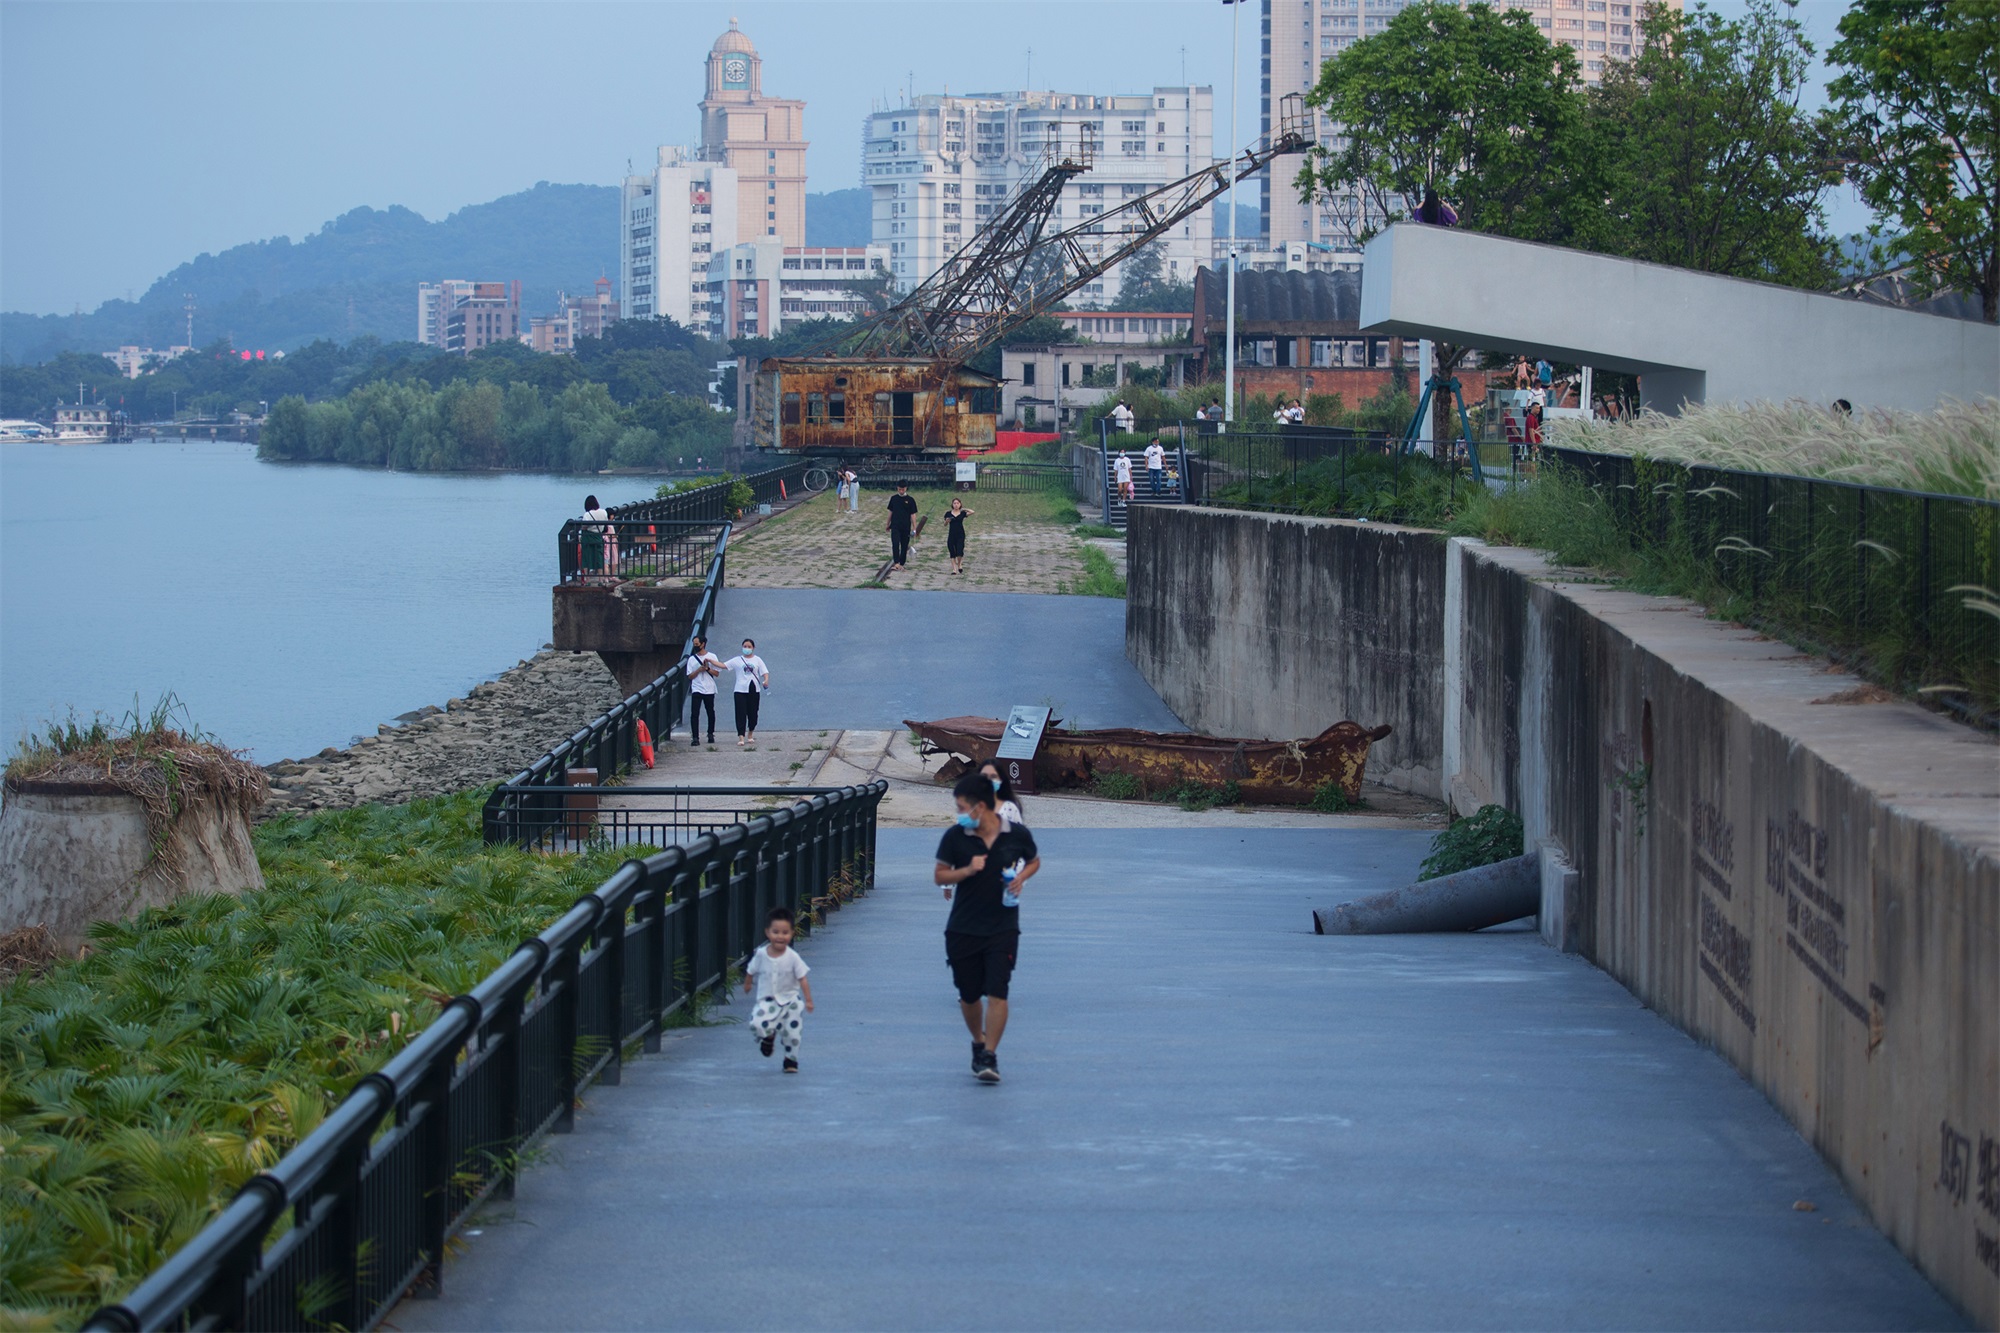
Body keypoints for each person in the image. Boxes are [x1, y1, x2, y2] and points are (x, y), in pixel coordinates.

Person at [934, 770, 1041, 1083]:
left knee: (998, 992)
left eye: (962, 807)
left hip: (1003, 927)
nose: (959, 813)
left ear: (980, 806)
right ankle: (978, 1042)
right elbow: (940, 875)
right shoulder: (955, 837)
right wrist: (967, 870)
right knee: (969, 996)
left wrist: (1021, 877)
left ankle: (989, 1055)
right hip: (963, 928)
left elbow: (1034, 860)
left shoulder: (1016, 834)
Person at [742, 906, 812, 1074]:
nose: (780, 936)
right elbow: (751, 970)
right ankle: (768, 1036)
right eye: (775, 932)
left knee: (793, 1033)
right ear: (767, 932)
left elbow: (802, 977)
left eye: (785, 932)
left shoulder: (793, 957)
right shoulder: (761, 954)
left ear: (792, 933)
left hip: (791, 1001)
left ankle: (790, 1060)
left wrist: (808, 999)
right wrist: (748, 983)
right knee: (756, 1023)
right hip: (767, 999)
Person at [722, 637, 771, 745]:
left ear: (753, 648)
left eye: (749, 647)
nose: (747, 648)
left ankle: (750, 734)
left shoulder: (757, 660)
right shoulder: (737, 660)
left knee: (753, 713)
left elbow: (765, 672)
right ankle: (741, 737)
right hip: (740, 689)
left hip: (754, 689)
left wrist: (766, 680)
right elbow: (724, 665)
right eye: (745, 646)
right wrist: (711, 661)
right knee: (740, 713)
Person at [684, 634, 722, 747]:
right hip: (697, 688)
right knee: (694, 713)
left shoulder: (712, 656)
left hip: (709, 688)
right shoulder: (691, 659)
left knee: (710, 711)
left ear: (703, 644)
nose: (695, 646)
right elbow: (690, 676)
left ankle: (710, 733)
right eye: (694, 644)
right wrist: (698, 670)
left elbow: (717, 673)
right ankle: (695, 737)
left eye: (697, 644)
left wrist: (707, 668)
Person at [977, 760, 1027, 826]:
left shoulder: (1010, 808)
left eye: (993, 776)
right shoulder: (969, 805)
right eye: (984, 776)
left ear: (1001, 780)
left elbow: (1019, 831)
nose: (988, 780)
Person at [885, 482, 918, 569]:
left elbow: (913, 514)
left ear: (906, 488)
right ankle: (896, 562)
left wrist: (914, 527)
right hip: (895, 525)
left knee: (904, 545)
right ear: (897, 488)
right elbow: (890, 512)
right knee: (895, 543)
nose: (901, 491)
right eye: (899, 489)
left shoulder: (910, 500)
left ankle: (902, 563)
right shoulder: (894, 499)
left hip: (906, 526)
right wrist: (887, 524)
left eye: (902, 489)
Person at [580, 494, 609, 579]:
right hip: (598, 537)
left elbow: (584, 526)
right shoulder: (603, 512)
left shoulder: (587, 514)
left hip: (588, 538)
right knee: (599, 558)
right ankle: (601, 578)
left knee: (586, 558)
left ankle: (587, 579)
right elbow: (606, 524)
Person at [943, 496, 974, 575]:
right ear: (952, 504)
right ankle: (954, 569)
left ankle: (959, 564)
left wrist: (964, 509)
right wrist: (947, 521)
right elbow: (945, 524)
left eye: (957, 503)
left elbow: (972, 512)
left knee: (959, 552)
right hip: (951, 534)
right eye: (954, 503)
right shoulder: (948, 513)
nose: (956, 505)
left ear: (960, 504)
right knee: (952, 552)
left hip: (960, 534)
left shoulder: (962, 513)